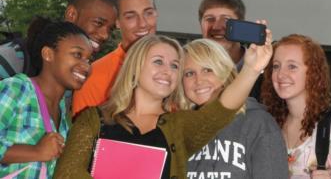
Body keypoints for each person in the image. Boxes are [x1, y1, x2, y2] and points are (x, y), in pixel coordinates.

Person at [54, 28, 273, 179]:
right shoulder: (92, 120)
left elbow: (222, 110)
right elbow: (67, 173)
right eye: (158, 62)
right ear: (135, 67)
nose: (167, 71)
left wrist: (252, 69)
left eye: (175, 66)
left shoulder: (178, 126)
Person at [0, 18, 93, 178]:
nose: (86, 66)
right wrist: (35, 151)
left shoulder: (64, 113)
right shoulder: (17, 89)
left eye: (88, 59)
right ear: (48, 54)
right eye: (77, 55)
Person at [183, 39, 288, 179]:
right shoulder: (178, 126)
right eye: (189, 73)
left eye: (207, 70)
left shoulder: (258, 123)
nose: (198, 80)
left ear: (224, 71)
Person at [260, 34, 331, 179]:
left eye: (292, 66)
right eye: (276, 66)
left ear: (313, 72)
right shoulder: (267, 123)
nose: (281, 74)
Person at [72, 0, 158, 116]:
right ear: (117, 22)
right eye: (131, 16)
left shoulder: (175, 69)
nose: (143, 23)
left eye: (148, 13)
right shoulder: (94, 76)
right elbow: (82, 133)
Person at [0, 0, 116, 79]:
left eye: (110, 29)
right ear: (72, 14)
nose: (105, 36)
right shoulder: (13, 59)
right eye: (98, 23)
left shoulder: (79, 74)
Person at [198, 0, 263, 100]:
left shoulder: (263, 72)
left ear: (241, 25)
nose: (217, 27)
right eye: (210, 19)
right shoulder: (189, 69)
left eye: (226, 20)